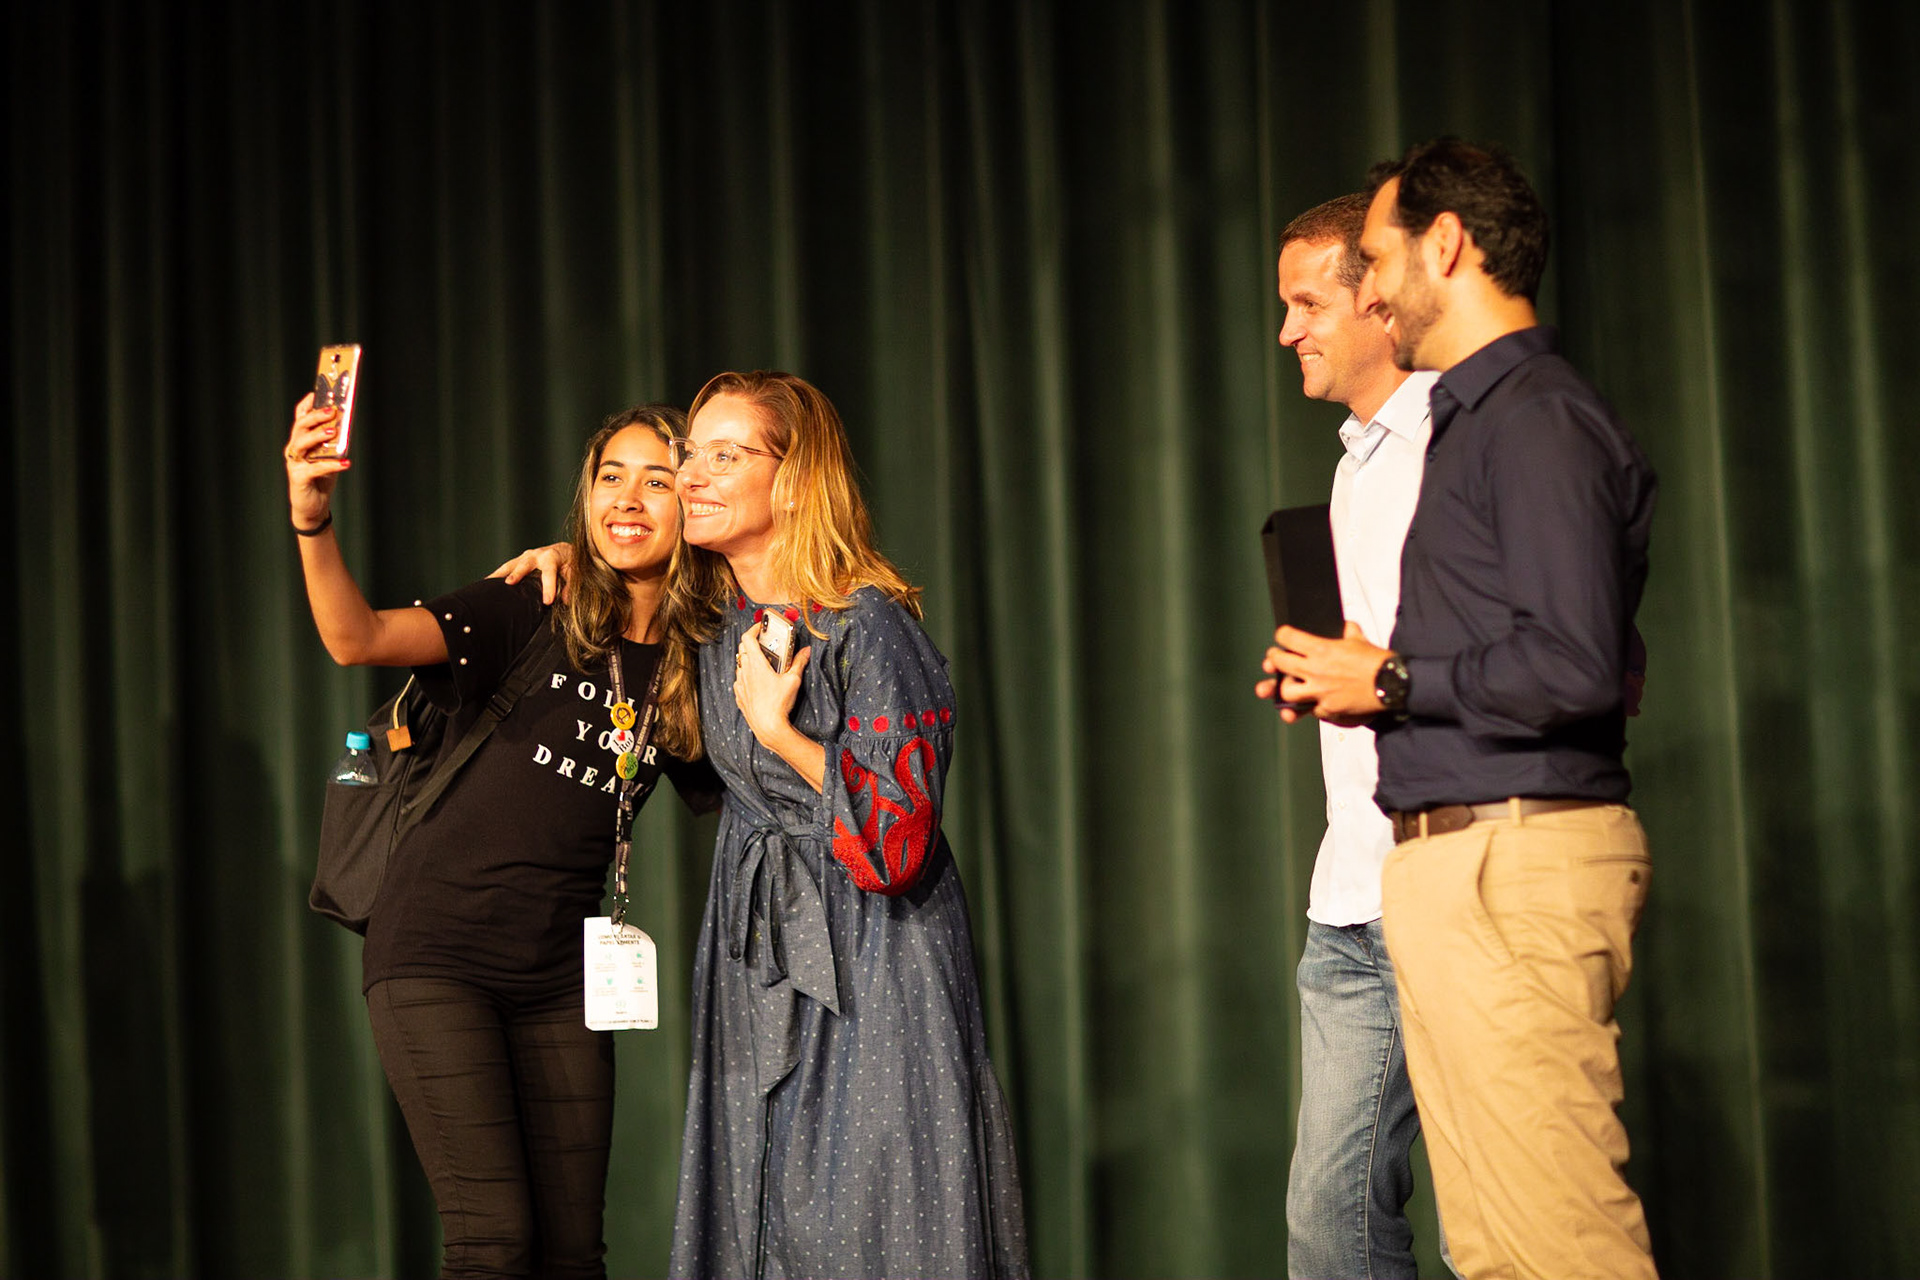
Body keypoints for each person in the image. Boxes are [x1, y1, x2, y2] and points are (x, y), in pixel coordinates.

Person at [1263, 138, 1659, 1280]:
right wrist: (1353, 676)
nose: (1375, 291)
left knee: (1553, 1241)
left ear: (1443, 246)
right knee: (1486, 1244)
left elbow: (1585, 664)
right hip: (1420, 865)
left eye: (1378, 260)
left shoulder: (1528, 419)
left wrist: (1387, 680)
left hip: (1507, 860)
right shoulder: (1454, 432)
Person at [284, 396, 718, 1279]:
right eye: (611, 476)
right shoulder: (536, 602)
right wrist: (311, 517)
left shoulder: (695, 662)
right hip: (438, 954)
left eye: (658, 481)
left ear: (695, 504)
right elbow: (355, 638)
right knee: (494, 1243)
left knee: (571, 1254)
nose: (627, 499)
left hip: (561, 977)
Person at [665, 370, 1030, 1279]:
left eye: (725, 456)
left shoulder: (868, 626)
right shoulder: (716, 624)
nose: (691, 476)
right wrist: (561, 557)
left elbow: (899, 844)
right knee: (761, 1214)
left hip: (874, 953)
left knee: (877, 1218)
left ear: (792, 481)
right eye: (690, 454)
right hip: (755, 953)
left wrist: (782, 736)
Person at [1257, 191, 1445, 1279]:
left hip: (1448, 879)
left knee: (1501, 1223)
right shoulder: (1353, 463)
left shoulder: (1462, 442)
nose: (1288, 331)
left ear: (1379, 300)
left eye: (1307, 303)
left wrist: (1384, 674)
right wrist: (1322, 676)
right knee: (1330, 1224)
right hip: (1349, 897)